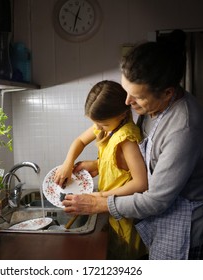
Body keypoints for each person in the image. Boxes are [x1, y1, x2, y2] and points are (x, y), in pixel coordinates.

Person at [62, 30, 203, 260]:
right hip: (162, 221)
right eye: (126, 91)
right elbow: (147, 162)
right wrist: (101, 163)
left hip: (187, 229)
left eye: (136, 97)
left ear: (167, 93)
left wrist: (99, 203)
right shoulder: (151, 107)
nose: (127, 102)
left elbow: (155, 200)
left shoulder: (184, 130)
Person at [54, 80, 148, 259]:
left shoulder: (126, 138)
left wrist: (102, 196)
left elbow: (141, 182)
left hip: (125, 217)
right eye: (94, 123)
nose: (97, 129)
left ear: (121, 115)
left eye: (102, 124)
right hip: (111, 210)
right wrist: (68, 163)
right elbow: (80, 141)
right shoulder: (108, 126)